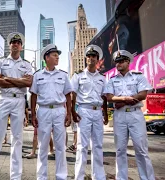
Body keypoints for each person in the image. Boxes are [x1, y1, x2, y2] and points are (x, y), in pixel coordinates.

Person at [0, 32, 33, 180]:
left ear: (21, 47)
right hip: (3, 99)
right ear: (9, 45)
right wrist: (19, 81)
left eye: (18, 42)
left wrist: (7, 78)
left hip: (19, 101)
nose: (15, 44)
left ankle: (15, 177)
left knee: (17, 139)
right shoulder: (0, 62)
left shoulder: (26, 64)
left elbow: (28, 83)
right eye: (13, 42)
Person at [104, 50, 155, 180]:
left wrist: (122, 100)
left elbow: (143, 94)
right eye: (117, 62)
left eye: (121, 61)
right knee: (120, 150)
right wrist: (126, 99)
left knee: (141, 150)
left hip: (135, 115)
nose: (118, 64)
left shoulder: (138, 76)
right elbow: (110, 97)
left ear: (128, 62)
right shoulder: (112, 80)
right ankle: (121, 178)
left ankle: (147, 178)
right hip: (119, 116)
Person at [30, 44, 73, 180]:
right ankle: (41, 177)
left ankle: (61, 176)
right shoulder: (37, 75)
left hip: (59, 110)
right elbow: (33, 95)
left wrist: (69, 113)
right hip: (43, 111)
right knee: (43, 146)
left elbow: (68, 95)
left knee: (60, 146)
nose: (57, 57)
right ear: (46, 57)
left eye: (57, 55)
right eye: (54, 55)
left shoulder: (63, 75)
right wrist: (32, 113)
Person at [71, 45, 108, 180]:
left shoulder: (102, 78)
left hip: (97, 112)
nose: (91, 58)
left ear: (97, 60)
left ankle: (98, 176)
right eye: (89, 56)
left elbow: (104, 97)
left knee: (98, 145)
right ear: (86, 58)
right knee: (82, 146)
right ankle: (79, 177)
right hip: (84, 111)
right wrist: (73, 113)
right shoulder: (78, 75)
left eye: (94, 57)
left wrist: (105, 113)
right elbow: (72, 95)